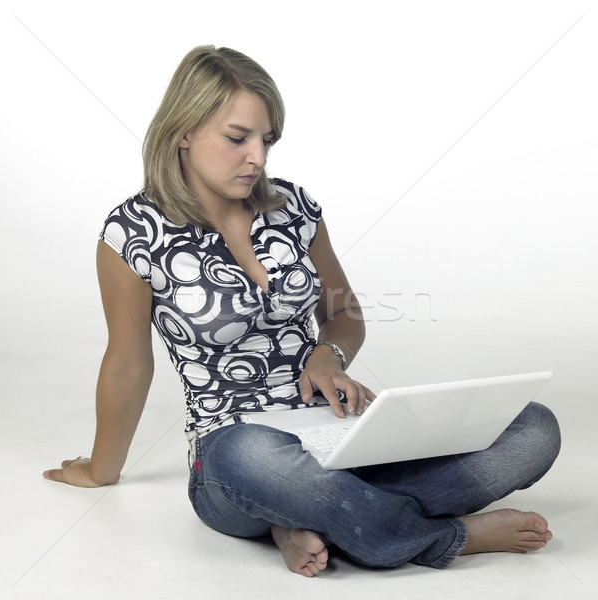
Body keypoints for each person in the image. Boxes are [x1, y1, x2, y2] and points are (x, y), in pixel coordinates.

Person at [43, 45, 561, 577]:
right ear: (184, 131)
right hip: (236, 452)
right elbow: (128, 363)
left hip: (338, 431)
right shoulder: (132, 233)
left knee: (534, 429)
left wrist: (328, 356)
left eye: (267, 140)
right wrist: (102, 470)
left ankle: (306, 521)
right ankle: (441, 538)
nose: (258, 157)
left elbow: (345, 312)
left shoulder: (294, 208)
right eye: (237, 138)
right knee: (253, 458)